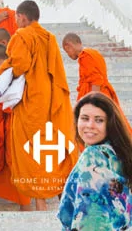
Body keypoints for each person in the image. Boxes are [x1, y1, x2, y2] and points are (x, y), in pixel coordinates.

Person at [0, 0, 77, 209]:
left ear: (22, 17)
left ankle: (41, 206)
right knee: (53, 150)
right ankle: (63, 203)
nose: (16, 22)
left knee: (33, 153)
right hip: (52, 103)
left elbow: (19, 65)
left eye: (16, 18)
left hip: (32, 104)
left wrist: (1, 72)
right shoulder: (49, 37)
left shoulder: (23, 35)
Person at [58, 93, 132, 230]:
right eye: (84, 118)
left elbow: (91, 219)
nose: (90, 125)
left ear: (110, 124)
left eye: (99, 120)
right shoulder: (118, 155)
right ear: (76, 120)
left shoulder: (93, 156)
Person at [0, 44, 30, 208]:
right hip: (11, 124)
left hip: (13, 125)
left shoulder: (9, 75)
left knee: (17, 163)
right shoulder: (12, 74)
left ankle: (26, 204)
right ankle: (24, 202)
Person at [62, 32, 121, 103]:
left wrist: (93, 102)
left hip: (96, 97)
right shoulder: (94, 53)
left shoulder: (85, 56)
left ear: (68, 46)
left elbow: (96, 80)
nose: (68, 55)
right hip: (103, 94)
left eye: (67, 51)